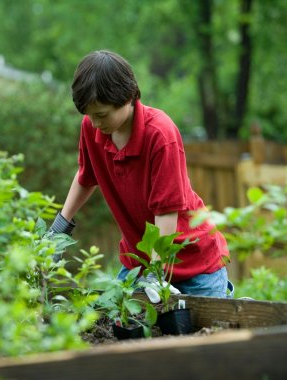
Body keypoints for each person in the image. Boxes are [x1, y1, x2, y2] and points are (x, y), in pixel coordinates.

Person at [50, 50, 233, 300]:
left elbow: (166, 212)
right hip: (139, 262)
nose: (94, 123)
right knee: (120, 327)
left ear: (127, 98)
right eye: (89, 115)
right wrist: (58, 230)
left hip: (194, 266)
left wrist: (155, 275)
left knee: (210, 333)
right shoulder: (93, 128)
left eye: (101, 115)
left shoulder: (159, 134)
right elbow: (86, 175)